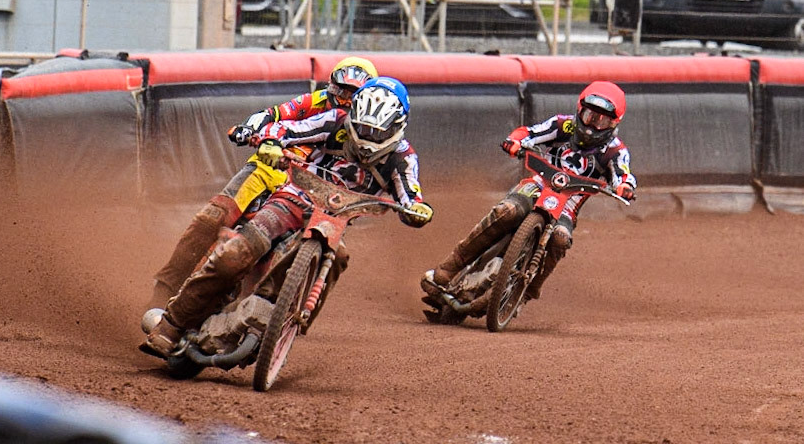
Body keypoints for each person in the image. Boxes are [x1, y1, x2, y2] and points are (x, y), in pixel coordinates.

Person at [142, 77, 434, 358]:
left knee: (340, 256)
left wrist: (417, 210)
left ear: (396, 127)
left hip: (334, 221)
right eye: (363, 129)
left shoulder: (403, 157)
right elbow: (287, 128)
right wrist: (270, 141)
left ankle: (292, 318)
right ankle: (171, 324)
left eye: (377, 133)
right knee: (235, 253)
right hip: (292, 199)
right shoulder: (334, 120)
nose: (368, 139)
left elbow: (410, 194)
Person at [147, 57, 379, 310]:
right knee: (212, 216)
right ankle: (166, 287)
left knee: (332, 251)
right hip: (269, 167)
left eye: (352, 95)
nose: (344, 99)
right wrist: (249, 129)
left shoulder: (372, 129)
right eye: (340, 90)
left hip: (315, 190)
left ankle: (291, 312)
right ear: (331, 85)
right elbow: (272, 115)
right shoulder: (314, 101)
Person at [428, 80, 636, 300]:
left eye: (601, 121)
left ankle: (533, 286)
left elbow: (624, 174)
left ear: (614, 124)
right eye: (588, 116)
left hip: (568, 205)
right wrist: (515, 141)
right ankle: (451, 266)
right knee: (507, 210)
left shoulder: (616, 151)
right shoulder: (563, 125)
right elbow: (530, 133)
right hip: (537, 184)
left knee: (560, 238)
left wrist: (625, 187)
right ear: (579, 110)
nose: (592, 125)